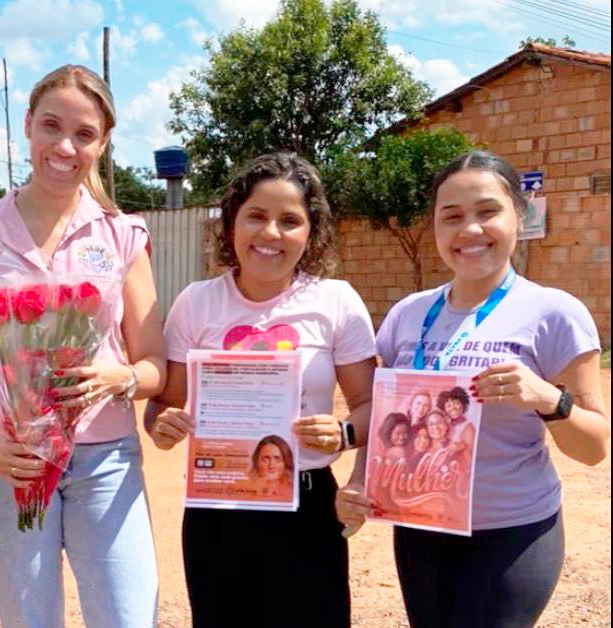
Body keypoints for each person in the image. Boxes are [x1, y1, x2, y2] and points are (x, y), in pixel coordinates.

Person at [337, 150, 610, 628]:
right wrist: (360, 483)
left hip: (513, 532)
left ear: (518, 216)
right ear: (435, 227)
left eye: (487, 211)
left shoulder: (555, 313)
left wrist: (548, 399)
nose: (470, 230)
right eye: (452, 216)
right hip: (421, 527)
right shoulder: (407, 315)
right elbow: (383, 414)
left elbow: (594, 448)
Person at [0, 64, 166, 628]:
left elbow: (154, 364)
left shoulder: (121, 236)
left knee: (126, 617)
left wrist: (121, 378)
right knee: (29, 619)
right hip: (9, 464)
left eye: (84, 134)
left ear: (103, 143)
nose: (65, 147)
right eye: (51, 126)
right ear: (28, 126)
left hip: (105, 460)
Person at [146, 152, 377, 628]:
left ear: (311, 232)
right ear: (232, 222)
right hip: (218, 508)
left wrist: (343, 433)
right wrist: (162, 426)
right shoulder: (196, 302)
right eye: (256, 215)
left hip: (308, 506)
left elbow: (369, 404)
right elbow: (163, 405)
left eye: (290, 220)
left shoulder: (336, 301)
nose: (270, 233)